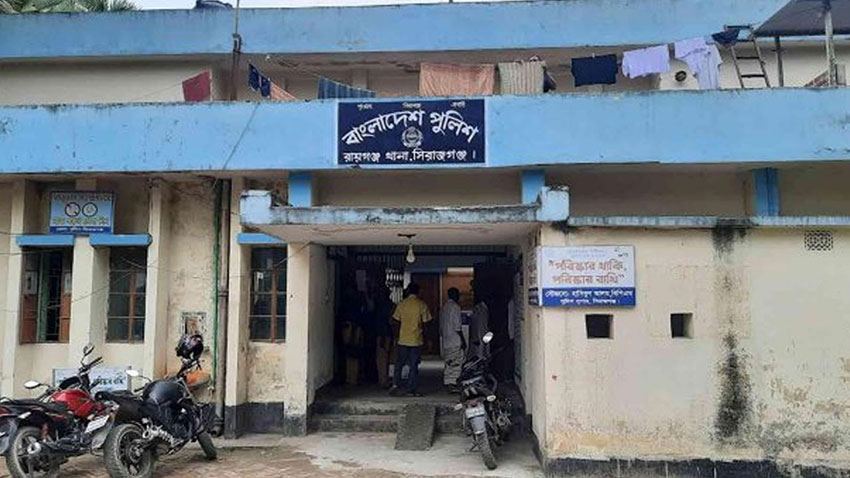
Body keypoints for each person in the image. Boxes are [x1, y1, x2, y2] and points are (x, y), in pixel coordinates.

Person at [390, 282, 432, 397]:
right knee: (413, 366)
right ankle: (411, 389)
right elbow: (426, 324)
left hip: (402, 339)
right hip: (416, 340)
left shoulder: (401, 304)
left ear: (408, 291)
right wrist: (428, 340)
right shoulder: (422, 305)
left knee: (399, 364)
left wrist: (396, 336)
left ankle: (395, 385)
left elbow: (395, 321)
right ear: (418, 292)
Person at [440, 287, 465, 392]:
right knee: (456, 363)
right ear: (455, 295)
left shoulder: (444, 308)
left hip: (446, 340)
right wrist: (463, 340)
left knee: (449, 362)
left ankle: (448, 382)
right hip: (455, 340)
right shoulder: (456, 307)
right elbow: (457, 327)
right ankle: (453, 383)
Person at [374, 283, 396, 388]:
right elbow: (392, 321)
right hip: (388, 334)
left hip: (381, 334)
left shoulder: (378, 306)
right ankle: (385, 379)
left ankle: (383, 380)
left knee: (381, 358)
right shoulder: (391, 305)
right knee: (386, 358)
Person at [468, 287, 490, 360]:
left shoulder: (481, 309)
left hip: (480, 337)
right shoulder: (480, 308)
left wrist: (476, 337)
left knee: (480, 357)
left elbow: (480, 325)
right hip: (480, 337)